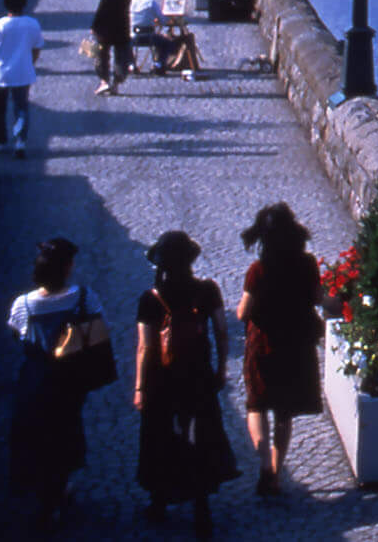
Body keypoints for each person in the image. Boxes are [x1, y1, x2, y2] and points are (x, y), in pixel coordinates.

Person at [134, 230, 236, 534]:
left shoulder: (151, 299)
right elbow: (220, 331)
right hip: (199, 375)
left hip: (163, 380)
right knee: (201, 436)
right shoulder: (208, 290)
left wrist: (140, 387)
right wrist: (220, 368)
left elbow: (146, 347)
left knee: (161, 435)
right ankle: (201, 505)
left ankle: (159, 500)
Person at [8, 235, 106, 526]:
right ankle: (59, 489)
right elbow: (100, 334)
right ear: (67, 268)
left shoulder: (22, 305)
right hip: (70, 380)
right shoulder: (85, 298)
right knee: (64, 433)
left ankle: (45, 498)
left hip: (35, 381)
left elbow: (18, 335)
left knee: (36, 436)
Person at [235, 203, 322, 497]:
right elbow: (319, 298)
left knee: (256, 405)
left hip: (264, 345)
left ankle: (265, 466)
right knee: (284, 413)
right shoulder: (307, 264)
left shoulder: (258, 271)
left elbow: (242, 313)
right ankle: (275, 472)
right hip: (297, 346)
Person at [0, 0, 43, 158]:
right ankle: (20, 141)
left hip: (1, 74)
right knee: (21, 107)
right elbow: (37, 49)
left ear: (6, 5)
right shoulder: (32, 24)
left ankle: (1, 141)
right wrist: (29, 63)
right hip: (23, 72)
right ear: (24, 4)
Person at [92, 0, 137, 97]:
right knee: (121, 57)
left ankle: (104, 81)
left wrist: (94, 26)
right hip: (122, 26)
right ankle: (116, 83)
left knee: (102, 55)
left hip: (105, 27)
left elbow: (102, 8)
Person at [129, 0, 161, 73]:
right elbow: (162, 19)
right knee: (163, 41)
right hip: (150, 36)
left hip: (134, 37)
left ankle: (131, 65)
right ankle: (157, 64)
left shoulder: (129, 3)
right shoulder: (151, 2)